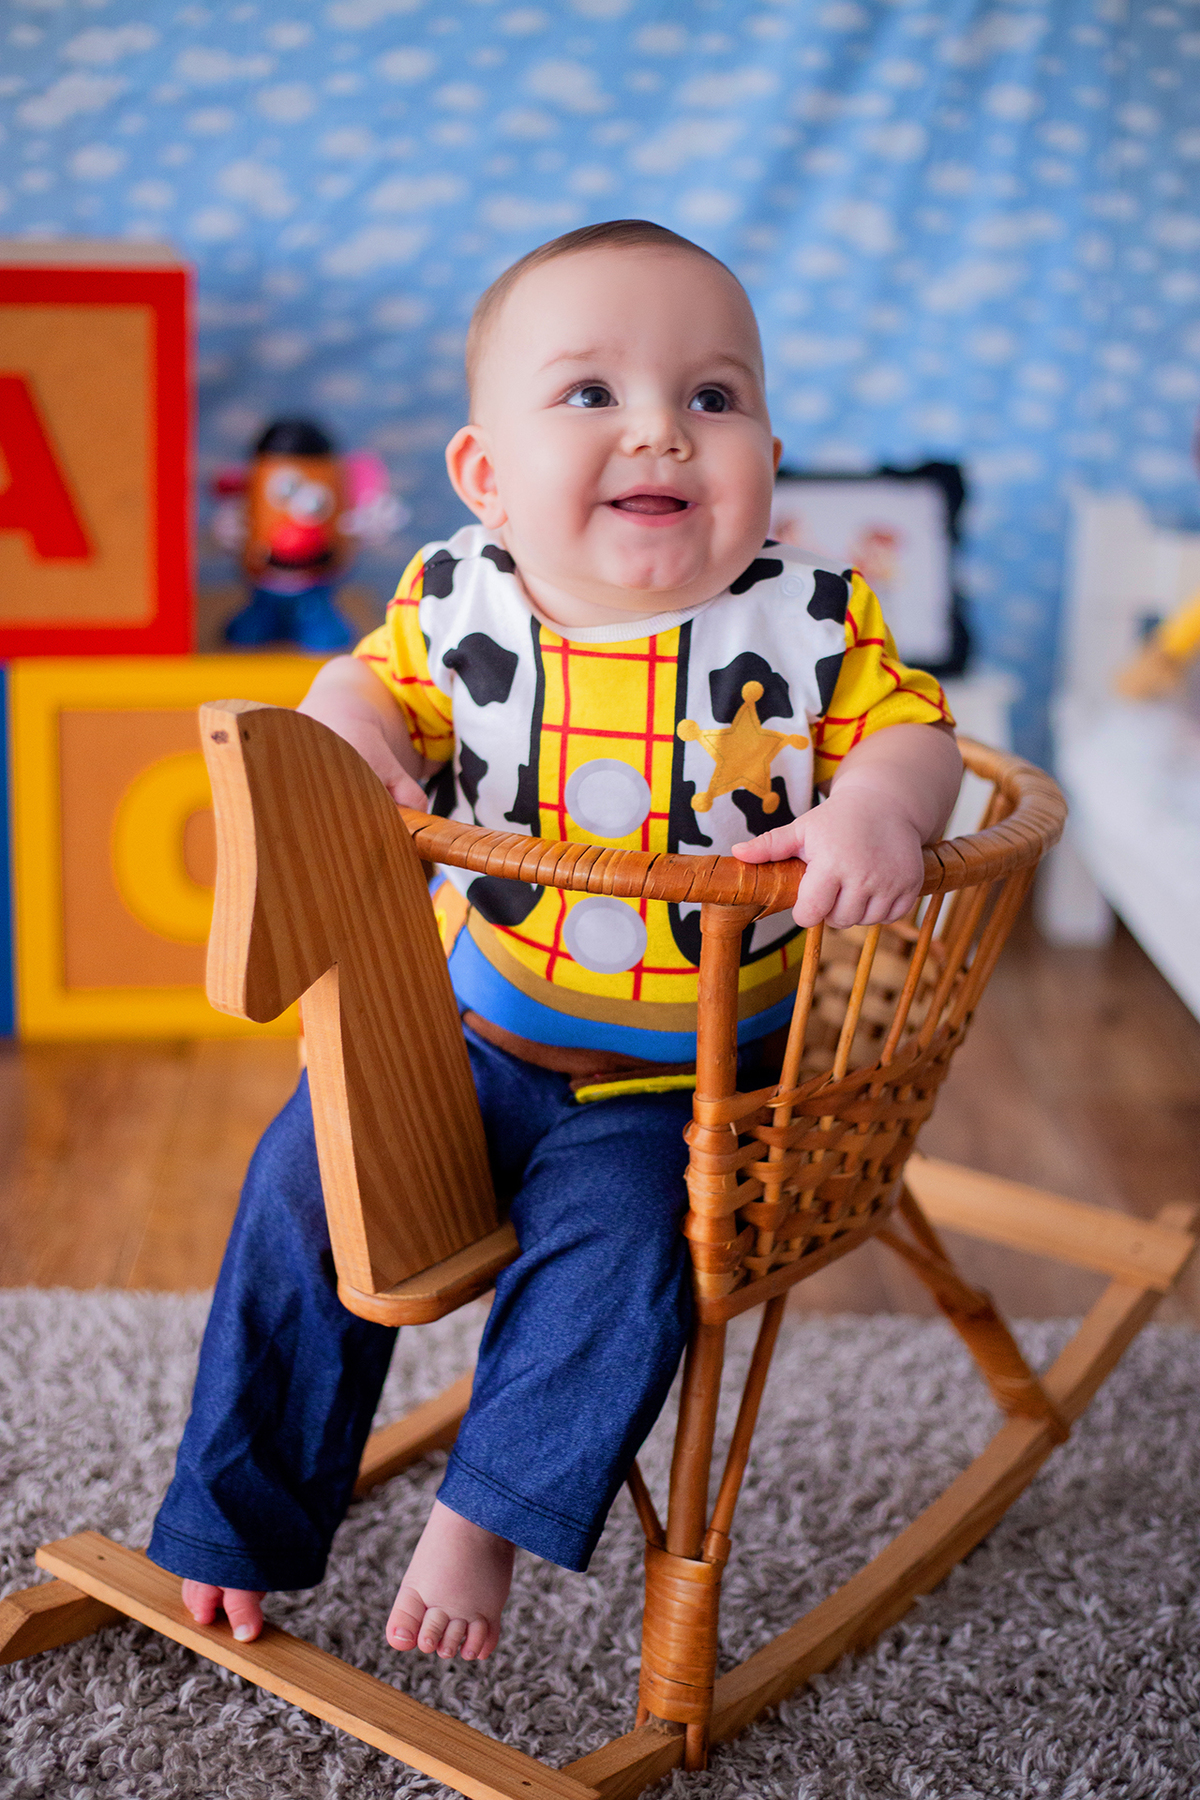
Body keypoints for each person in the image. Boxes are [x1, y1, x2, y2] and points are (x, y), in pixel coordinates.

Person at [150, 220, 962, 1667]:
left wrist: (880, 810)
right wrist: (356, 742)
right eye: (590, 395)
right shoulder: (459, 598)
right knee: (301, 1184)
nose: (661, 427)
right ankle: (234, 1519)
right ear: (486, 477)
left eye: (713, 399)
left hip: (689, 1084)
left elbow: (914, 734)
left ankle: (487, 1512)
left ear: (768, 465)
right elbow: (359, 685)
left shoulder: (809, 621)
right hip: (478, 1033)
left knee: (625, 1251)